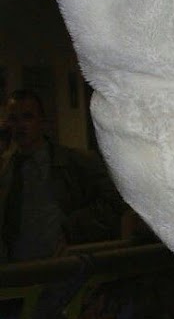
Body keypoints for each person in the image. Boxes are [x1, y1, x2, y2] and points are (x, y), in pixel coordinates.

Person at [0, 89, 124, 261]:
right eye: (14, 119)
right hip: (17, 264)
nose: (20, 125)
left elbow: (114, 201)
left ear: (42, 122)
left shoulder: (75, 162)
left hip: (64, 262)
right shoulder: (6, 168)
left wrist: (74, 229)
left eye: (27, 117)